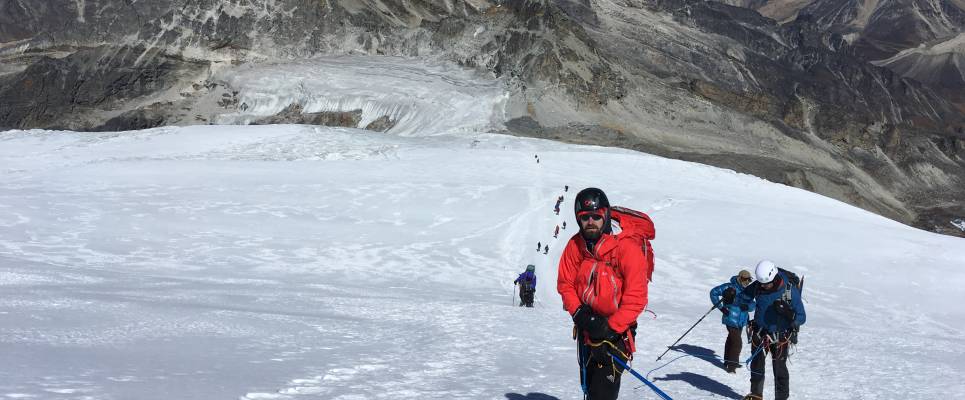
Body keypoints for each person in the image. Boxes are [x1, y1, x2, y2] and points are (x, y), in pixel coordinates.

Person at [557, 188, 651, 400]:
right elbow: (565, 283)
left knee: (602, 394)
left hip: (617, 333)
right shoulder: (576, 244)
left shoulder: (626, 247)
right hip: (587, 327)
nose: (590, 222)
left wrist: (609, 328)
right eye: (585, 217)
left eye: (596, 216)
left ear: (606, 215)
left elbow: (636, 298)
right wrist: (580, 313)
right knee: (589, 385)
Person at [740, 260, 806, 400]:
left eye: (767, 284)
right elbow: (744, 298)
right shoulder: (758, 286)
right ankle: (756, 395)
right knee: (757, 365)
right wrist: (733, 296)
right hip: (759, 333)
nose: (764, 286)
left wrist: (789, 314)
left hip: (780, 336)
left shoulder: (789, 290)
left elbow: (802, 316)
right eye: (762, 284)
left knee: (779, 368)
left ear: (774, 277)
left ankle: (781, 398)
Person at [709, 269, 755, 373]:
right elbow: (713, 292)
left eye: (749, 280)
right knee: (737, 343)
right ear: (739, 278)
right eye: (744, 279)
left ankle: (728, 361)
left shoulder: (748, 290)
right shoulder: (729, 287)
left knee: (731, 339)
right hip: (730, 318)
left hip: (741, 320)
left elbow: (753, 304)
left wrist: (747, 307)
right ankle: (732, 366)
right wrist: (721, 308)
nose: (747, 282)